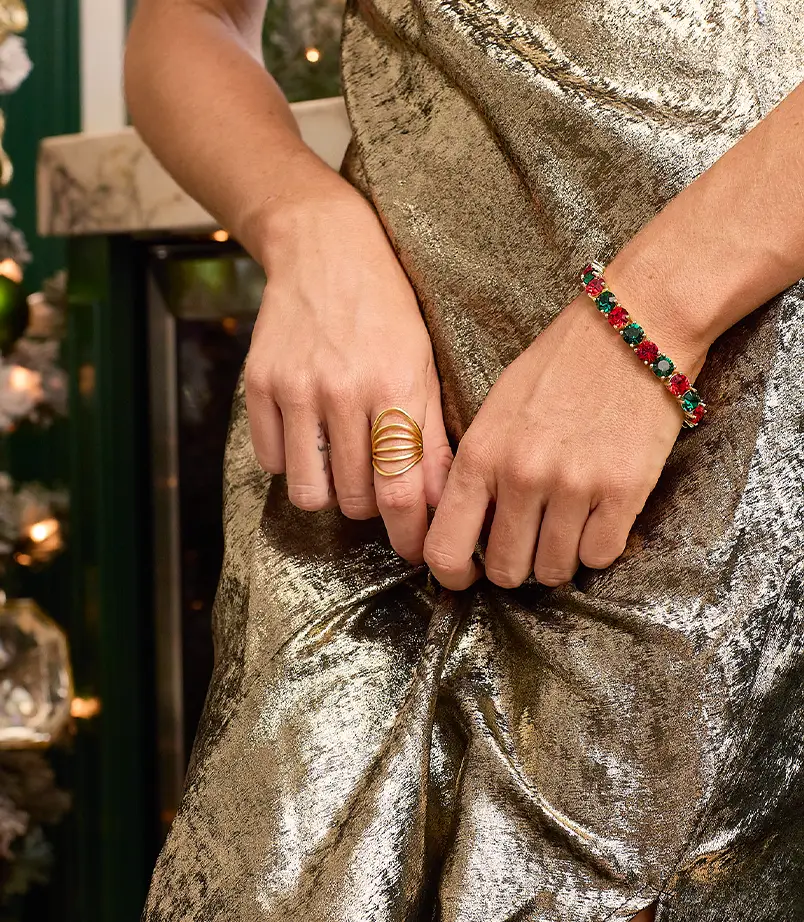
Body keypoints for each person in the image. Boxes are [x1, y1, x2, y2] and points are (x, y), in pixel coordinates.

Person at [125, 0, 804, 918]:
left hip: (741, 442)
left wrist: (653, 317)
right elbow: (188, 23)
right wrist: (302, 222)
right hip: (369, 447)